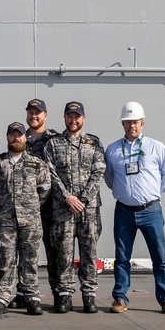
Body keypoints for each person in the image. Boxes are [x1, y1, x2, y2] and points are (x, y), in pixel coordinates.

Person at [104, 101, 165, 315]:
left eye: (135, 122)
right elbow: (109, 177)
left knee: (160, 257)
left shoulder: (156, 147)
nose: (132, 126)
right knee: (122, 256)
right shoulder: (113, 149)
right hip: (124, 211)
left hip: (151, 211)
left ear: (142, 123)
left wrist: (155, 192)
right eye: (128, 122)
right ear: (122, 123)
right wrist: (123, 192)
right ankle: (120, 298)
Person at [43, 101, 106, 314]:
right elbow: (50, 174)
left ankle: (89, 295)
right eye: (70, 116)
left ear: (83, 118)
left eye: (77, 116)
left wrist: (84, 199)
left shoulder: (94, 143)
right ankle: (65, 295)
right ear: (64, 118)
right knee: (63, 253)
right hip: (63, 210)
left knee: (89, 253)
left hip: (88, 211)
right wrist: (68, 197)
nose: (73, 120)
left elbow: (98, 173)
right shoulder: (53, 144)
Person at [0, 121, 51, 316]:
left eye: (19, 135)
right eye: (12, 135)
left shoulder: (37, 164)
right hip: (5, 221)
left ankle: (31, 297)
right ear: (7, 138)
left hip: (30, 222)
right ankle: (3, 296)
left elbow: (44, 191)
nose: (16, 138)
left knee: (30, 260)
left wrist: (28, 207)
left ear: (25, 138)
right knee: (6, 260)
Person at [22, 98, 60, 306]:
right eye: (30, 112)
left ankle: (57, 293)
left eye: (38, 113)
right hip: (26, 208)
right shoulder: (19, 138)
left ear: (45, 115)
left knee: (54, 251)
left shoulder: (55, 139)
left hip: (51, 206)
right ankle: (24, 293)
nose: (34, 116)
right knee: (26, 251)